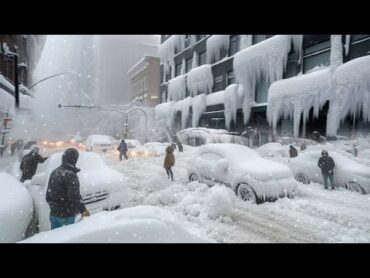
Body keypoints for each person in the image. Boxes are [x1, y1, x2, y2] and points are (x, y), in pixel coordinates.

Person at [46, 148, 90, 230]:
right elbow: (74, 196)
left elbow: (48, 194)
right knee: (68, 237)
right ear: (74, 160)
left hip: (53, 214)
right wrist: (83, 211)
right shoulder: (71, 175)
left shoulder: (55, 171)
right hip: (66, 216)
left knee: (55, 237)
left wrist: (53, 206)